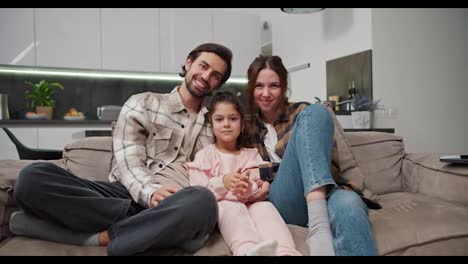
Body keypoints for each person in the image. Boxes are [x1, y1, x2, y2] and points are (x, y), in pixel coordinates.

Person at [10, 43, 233, 256]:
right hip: (124, 193)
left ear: (218, 84)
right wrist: (151, 192)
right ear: (188, 64)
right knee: (32, 177)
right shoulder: (143, 103)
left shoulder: (217, 123)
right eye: (203, 66)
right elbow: (129, 163)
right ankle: (156, 229)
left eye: (216, 75)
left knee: (203, 201)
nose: (206, 77)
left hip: (179, 201)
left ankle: (107, 236)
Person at [243, 55, 378, 256]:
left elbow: (323, 164)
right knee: (315, 112)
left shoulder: (303, 114)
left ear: (284, 87)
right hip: (284, 200)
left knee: (349, 204)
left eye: (274, 86)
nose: (265, 93)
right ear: (251, 88)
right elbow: (243, 171)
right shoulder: (245, 128)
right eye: (259, 86)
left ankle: (319, 222)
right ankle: (319, 226)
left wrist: (265, 171)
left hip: (326, 191)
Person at [185, 91, 301, 256]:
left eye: (233, 119)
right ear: (211, 125)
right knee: (230, 207)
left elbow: (260, 182)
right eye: (219, 119)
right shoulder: (205, 155)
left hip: (252, 202)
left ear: (242, 125)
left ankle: (285, 251)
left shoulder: (251, 154)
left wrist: (249, 189)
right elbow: (198, 191)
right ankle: (247, 251)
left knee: (265, 207)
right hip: (224, 207)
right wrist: (223, 183)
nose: (226, 124)